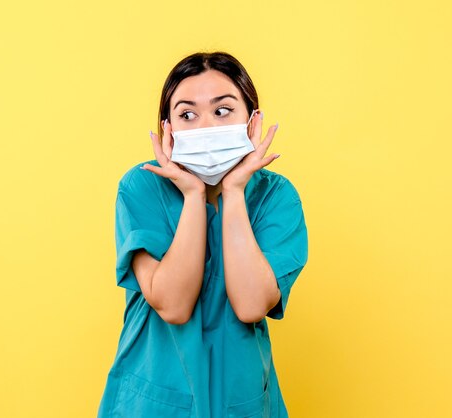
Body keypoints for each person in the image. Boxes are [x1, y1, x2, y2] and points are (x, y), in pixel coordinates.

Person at [97, 51, 308, 418]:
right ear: (169, 128)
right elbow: (174, 306)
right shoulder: (141, 187)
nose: (206, 127)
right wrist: (194, 195)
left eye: (223, 111)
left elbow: (251, 304)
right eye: (187, 115)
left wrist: (235, 191)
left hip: (241, 400)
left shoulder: (276, 197)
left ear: (252, 120)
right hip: (153, 401)